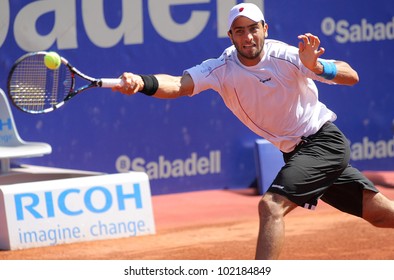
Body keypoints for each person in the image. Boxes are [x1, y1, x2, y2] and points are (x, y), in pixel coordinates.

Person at [113, 3, 394, 259]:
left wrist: (317, 66)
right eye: (240, 32)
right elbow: (178, 84)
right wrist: (142, 81)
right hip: (297, 153)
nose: (247, 37)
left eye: (253, 29)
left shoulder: (287, 56)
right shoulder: (222, 68)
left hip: (323, 143)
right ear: (230, 36)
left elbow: (352, 75)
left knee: (271, 206)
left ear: (264, 29)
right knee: (379, 214)